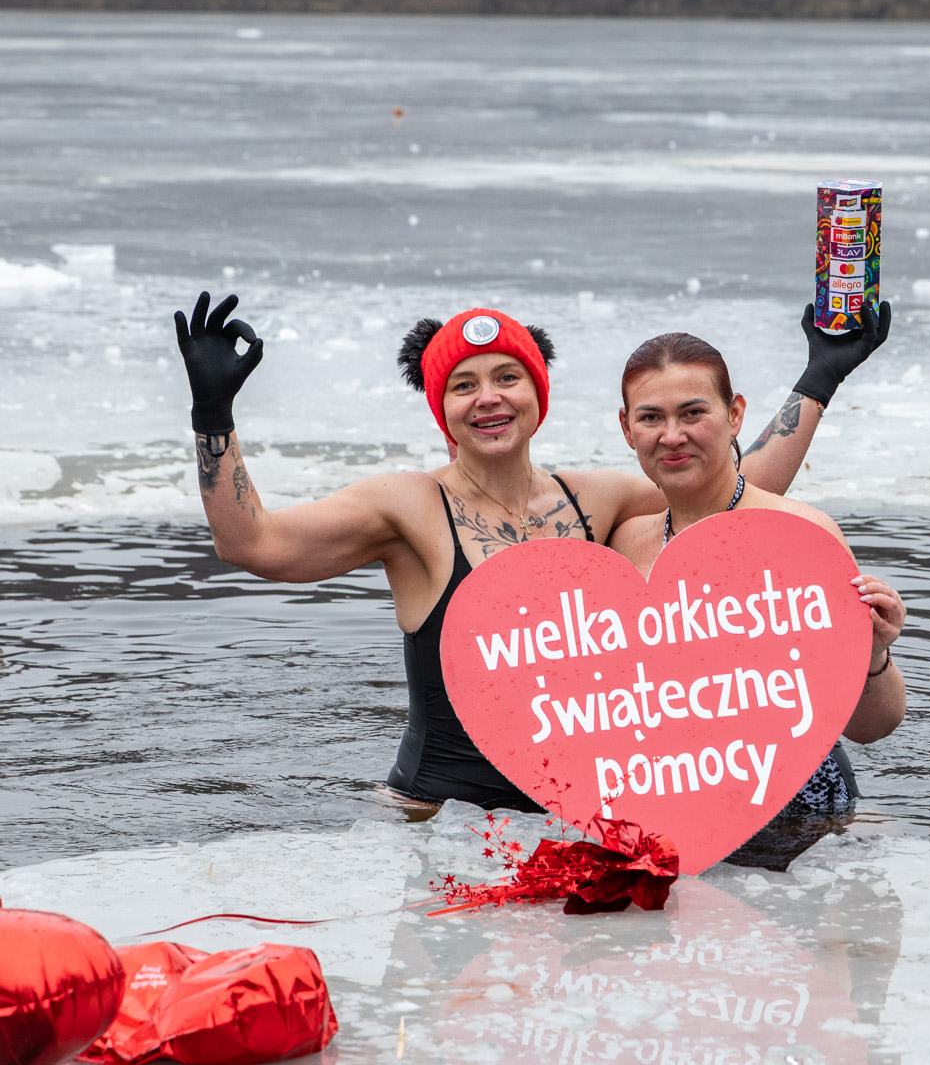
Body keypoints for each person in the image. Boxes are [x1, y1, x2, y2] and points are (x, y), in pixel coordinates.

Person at [174, 292, 891, 812]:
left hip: (575, 820)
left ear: (536, 394)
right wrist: (213, 415)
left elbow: (723, 488)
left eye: (506, 377)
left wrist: (818, 379)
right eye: (463, 385)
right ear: (441, 407)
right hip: (441, 820)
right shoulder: (407, 506)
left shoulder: (595, 501)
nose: (488, 398)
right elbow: (252, 543)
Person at [607, 330, 906, 864]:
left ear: (735, 415)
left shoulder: (802, 535)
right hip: (674, 805)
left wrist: (873, 651)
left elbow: (871, 728)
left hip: (799, 815)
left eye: (693, 413)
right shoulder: (627, 544)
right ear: (628, 429)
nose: (672, 435)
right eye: (651, 418)